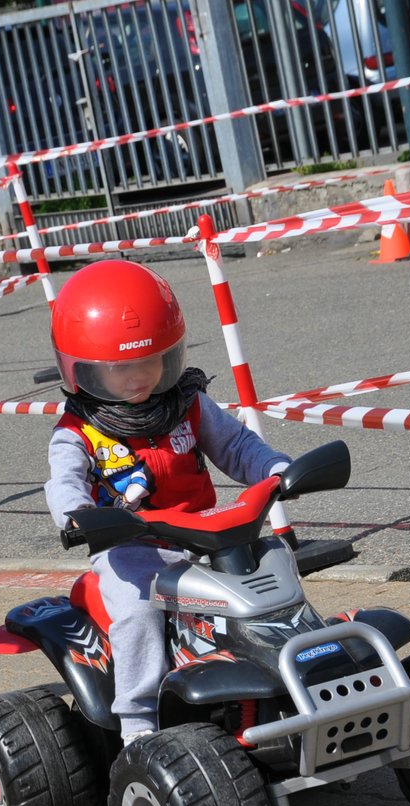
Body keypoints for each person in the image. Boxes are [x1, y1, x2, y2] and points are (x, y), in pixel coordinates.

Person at [43, 259, 289, 744]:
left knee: (274, 570)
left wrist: (275, 468)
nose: (139, 377)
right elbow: (64, 480)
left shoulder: (188, 403)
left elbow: (238, 448)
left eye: (149, 361)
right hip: (133, 547)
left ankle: (291, 683)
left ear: (170, 354)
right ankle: (138, 725)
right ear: (85, 371)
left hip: (206, 532)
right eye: (121, 369)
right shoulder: (77, 433)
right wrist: (78, 515)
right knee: (136, 610)